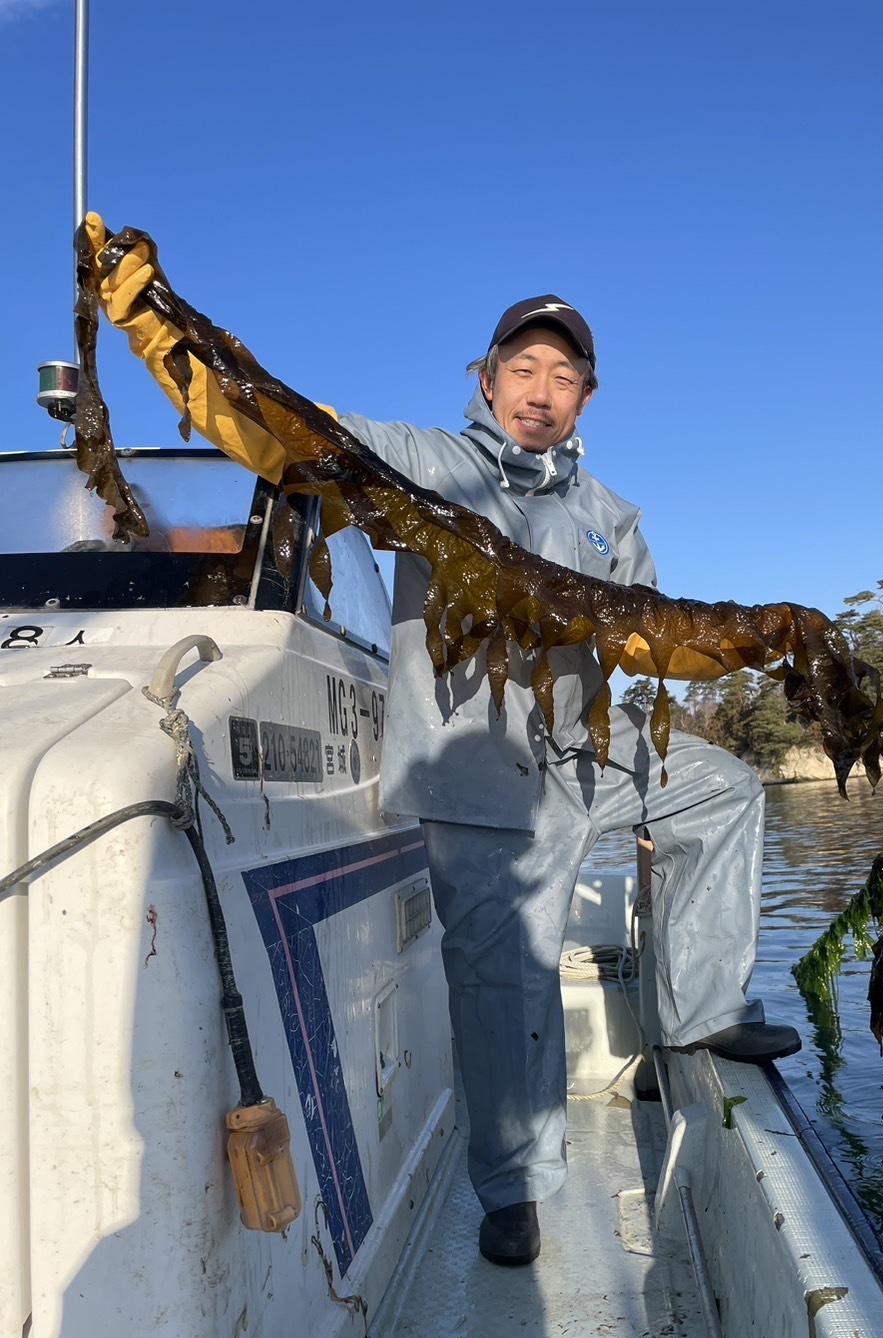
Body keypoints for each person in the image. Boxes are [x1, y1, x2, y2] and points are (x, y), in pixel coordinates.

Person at [86, 217, 801, 1269]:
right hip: (478, 774)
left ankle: (697, 1008)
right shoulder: (424, 462)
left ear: (586, 401)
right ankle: (513, 1184)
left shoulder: (612, 513)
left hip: (582, 756)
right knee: (501, 981)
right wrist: (155, 324)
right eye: (523, 366)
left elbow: (646, 635)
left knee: (723, 788)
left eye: (564, 375)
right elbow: (286, 430)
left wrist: (752, 641)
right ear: (486, 376)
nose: (541, 388)